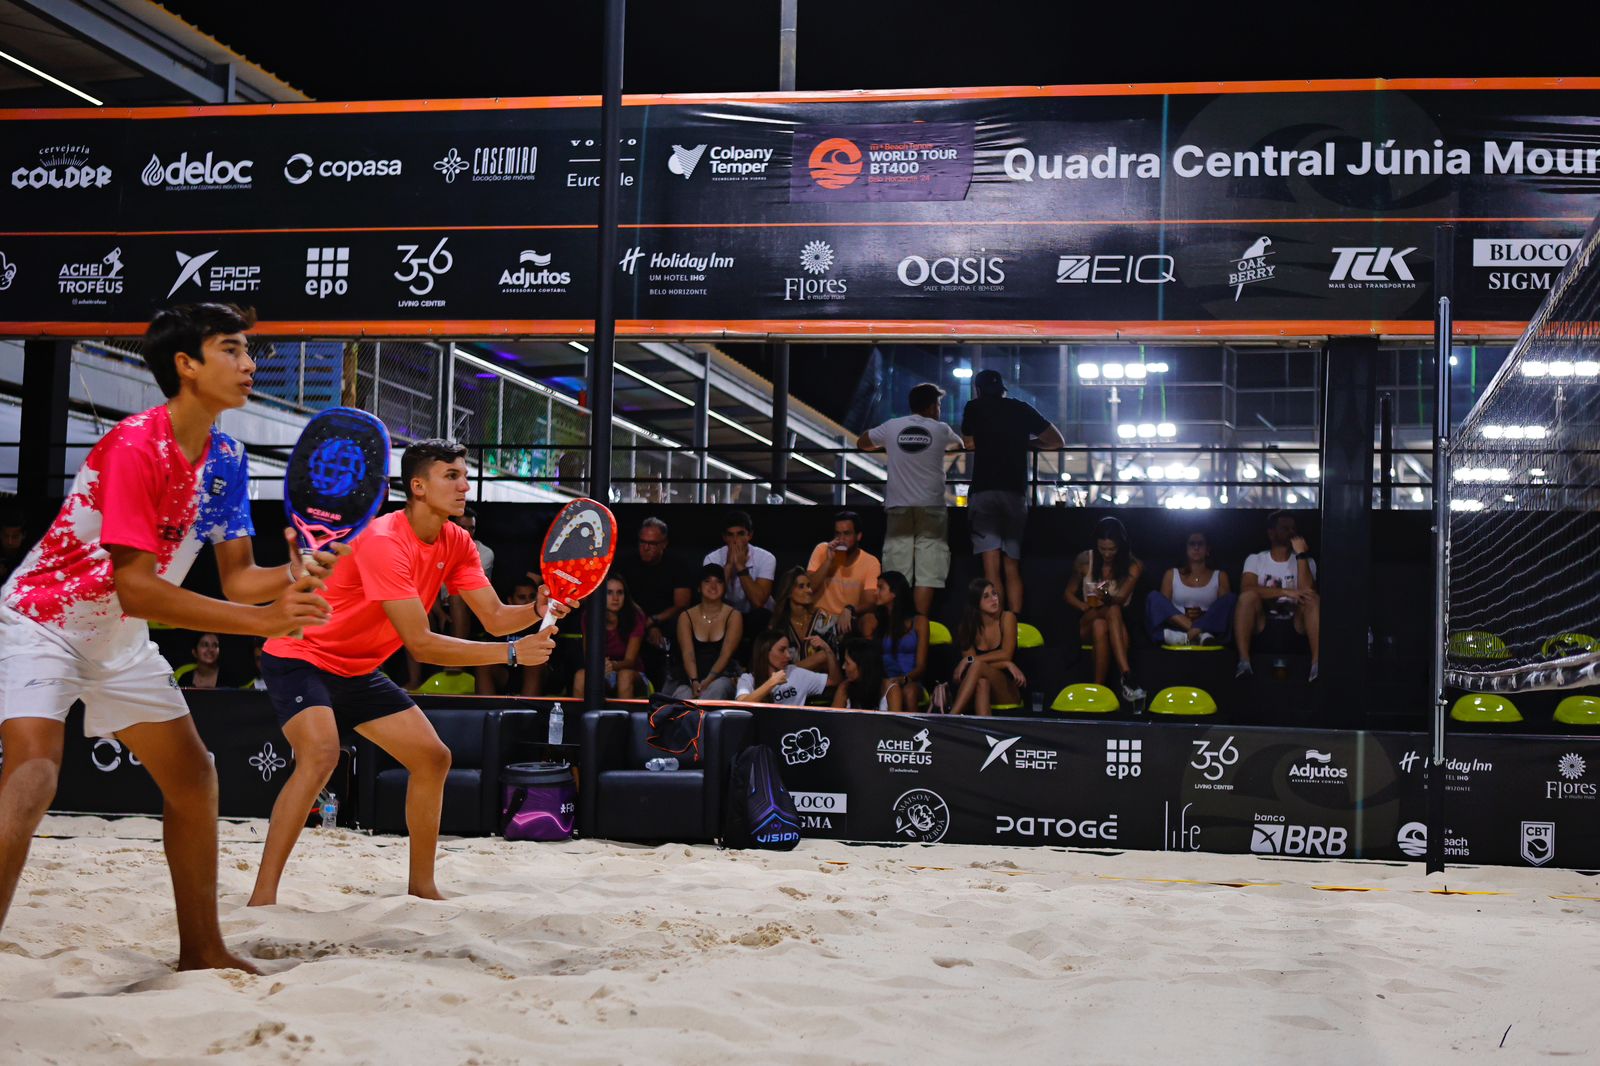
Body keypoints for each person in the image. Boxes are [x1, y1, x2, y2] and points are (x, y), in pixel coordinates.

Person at [0, 302, 333, 972]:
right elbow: (140, 587)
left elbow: (239, 579)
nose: (249, 365)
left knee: (194, 778)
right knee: (35, 774)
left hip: (118, 640)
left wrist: (294, 574)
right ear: (187, 364)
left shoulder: (228, 458)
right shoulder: (135, 445)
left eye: (249, 352)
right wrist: (267, 621)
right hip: (47, 618)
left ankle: (202, 949)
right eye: (233, 350)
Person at [247, 439, 569, 908]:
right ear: (417, 486)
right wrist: (512, 655)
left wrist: (534, 608)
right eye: (451, 476)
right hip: (303, 657)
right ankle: (262, 897)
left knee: (433, 758)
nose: (463, 485)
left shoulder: (457, 541)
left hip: (357, 668)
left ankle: (422, 887)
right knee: (320, 756)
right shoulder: (383, 541)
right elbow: (420, 642)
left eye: (463, 475)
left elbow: (496, 617)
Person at [960, 368, 1064, 615]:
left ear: (978, 390)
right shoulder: (1021, 408)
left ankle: (995, 624)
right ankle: (1014, 624)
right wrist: (1025, 443)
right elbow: (1057, 441)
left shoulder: (973, 408)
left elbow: (968, 443)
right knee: (1012, 565)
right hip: (1015, 492)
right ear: (1003, 388)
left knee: (991, 567)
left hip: (984, 491)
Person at [857, 383, 964, 616]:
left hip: (898, 505)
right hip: (931, 506)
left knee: (897, 570)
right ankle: (918, 624)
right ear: (929, 406)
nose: (939, 409)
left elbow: (862, 442)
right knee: (929, 569)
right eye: (937, 404)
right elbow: (959, 446)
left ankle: (897, 624)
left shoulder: (892, 426)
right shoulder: (941, 429)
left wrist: (892, 447)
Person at [1064, 516, 1145, 703]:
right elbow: (1067, 593)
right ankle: (1127, 675)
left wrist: (1106, 597)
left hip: (1115, 622)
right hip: (1087, 619)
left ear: (1121, 546)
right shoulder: (1085, 560)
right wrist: (1083, 605)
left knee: (1104, 622)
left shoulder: (1133, 565)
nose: (1107, 554)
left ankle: (1098, 689)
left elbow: (1121, 599)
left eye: (1112, 549)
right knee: (1107, 614)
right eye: (1103, 549)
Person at [1235, 510, 1320, 681]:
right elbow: (1246, 588)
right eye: (1285, 528)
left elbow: (1308, 591)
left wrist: (1301, 555)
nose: (1291, 532)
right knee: (1247, 598)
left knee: (1313, 599)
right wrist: (1286, 592)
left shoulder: (1307, 561)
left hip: (1296, 622)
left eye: (1293, 528)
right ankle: (1244, 663)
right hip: (1263, 622)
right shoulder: (1256, 559)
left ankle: (1317, 666)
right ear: (1271, 533)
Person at [617, 516, 694, 688]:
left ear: (663, 544)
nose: (645, 548)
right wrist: (646, 624)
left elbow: (682, 604)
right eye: (642, 542)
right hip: (632, 620)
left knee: (679, 624)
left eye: (651, 544)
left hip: (665, 622)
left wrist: (654, 622)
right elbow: (620, 597)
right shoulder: (625, 563)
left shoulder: (677, 565)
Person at [664, 565, 742, 701]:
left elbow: (726, 654)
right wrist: (694, 680)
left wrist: (708, 681)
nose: (713, 586)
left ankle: (706, 721)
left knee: (717, 688)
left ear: (724, 587)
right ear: (699, 587)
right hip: (690, 677)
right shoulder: (686, 616)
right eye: (707, 581)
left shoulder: (733, 615)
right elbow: (688, 654)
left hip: (722, 676)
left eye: (718, 581)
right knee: (683, 694)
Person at [1145, 531, 1237, 646]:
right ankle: (1197, 635)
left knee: (1231, 598)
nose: (1196, 547)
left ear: (1207, 549)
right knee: (1153, 597)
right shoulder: (1171, 574)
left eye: (1200, 544)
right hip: (1178, 628)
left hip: (1209, 628)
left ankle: (1195, 633)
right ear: (1186, 549)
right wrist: (1183, 617)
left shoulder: (1220, 575)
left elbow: (1224, 610)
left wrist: (1203, 617)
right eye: (1192, 544)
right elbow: (1163, 608)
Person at [949, 579, 1023, 716]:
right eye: (986, 596)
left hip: (1007, 689)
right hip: (978, 689)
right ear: (975, 602)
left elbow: (1006, 653)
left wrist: (970, 659)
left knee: (977, 666)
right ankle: (984, 734)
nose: (994, 599)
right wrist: (1006, 664)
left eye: (994, 594)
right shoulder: (966, 627)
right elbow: (971, 670)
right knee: (982, 682)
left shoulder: (1007, 617)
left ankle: (950, 718)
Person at [859, 570, 930, 711]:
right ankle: (893, 732)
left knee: (909, 692)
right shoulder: (875, 621)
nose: (875, 592)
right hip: (884, 681)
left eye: (881, 588)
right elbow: (869, 659)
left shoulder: (919, 621)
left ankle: (913, 732)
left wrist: (904, 679)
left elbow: (921, 666)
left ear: (894, 593)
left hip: (911, 681)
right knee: (893, 689)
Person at [703, 510, 776, 637]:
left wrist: (741, 567)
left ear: (750, 535)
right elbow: (711, 597)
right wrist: (729, 565)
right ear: (724, 537)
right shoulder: (712, 559)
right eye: (730, 535)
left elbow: (758, 602)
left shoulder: (766, 558)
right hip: (726, 615)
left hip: (758, 616)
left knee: (760, 616)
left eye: (741, 534)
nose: (735, 540)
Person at [805, 510, 881, 631]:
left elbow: (870, 602)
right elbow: (808, 589)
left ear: (858, 536)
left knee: (870, 620)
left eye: (846, 534)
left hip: (847, 618)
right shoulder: (822, 549)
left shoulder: (871, 562)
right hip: (818, 616)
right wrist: (828, 561)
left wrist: (850, 609)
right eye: (837, 534)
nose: (841, 539)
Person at [573, 575, 645, 699]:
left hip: (631, 673)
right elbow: (588, 655)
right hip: (600, 671)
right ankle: (581, 718)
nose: (615, 598)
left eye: (620, 593)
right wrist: (599, 666)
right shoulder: (589, 616)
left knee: (624, 676)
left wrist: (611, 665)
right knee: (581, 676)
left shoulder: (635, 616)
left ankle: (624, 718)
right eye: (609, 592)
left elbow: (630, 661)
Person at [736, 630, 840, 706]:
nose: (788, 656)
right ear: (765, 651)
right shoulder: (748, 679)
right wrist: (771, 683)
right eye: (782, 650)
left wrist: (828, 650)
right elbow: (741, 705)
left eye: (788, 650)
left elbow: (834, 680)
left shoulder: (796, 673)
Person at [772, 566, 841, 672]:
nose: (809, 590)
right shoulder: (779, 624)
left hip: (821, 682)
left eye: (809, 586)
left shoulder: (823, 620)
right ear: (789, 592)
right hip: (789, 685)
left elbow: (831, 657)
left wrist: (790, 671)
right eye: (801, 586)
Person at [448, 507, 495, 640]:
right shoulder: (438, 547)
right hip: (435, 602)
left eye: (471, 528)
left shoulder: (485, 553)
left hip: (469, 601)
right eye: (462, 527)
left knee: (457, 597)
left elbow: (476, 590)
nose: (467, 533)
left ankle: (458, 655)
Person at [833, 637, 892, 711]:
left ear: (863, 666)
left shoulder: (890, 690)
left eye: (847, 663)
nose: (843, 667)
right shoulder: (844, 687)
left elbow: (895, 722)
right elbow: (833, 720)